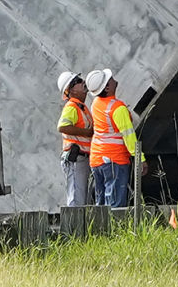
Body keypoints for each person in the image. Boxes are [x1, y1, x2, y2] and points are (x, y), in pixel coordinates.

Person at [85, 69, 139, 208]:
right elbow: (129, 136)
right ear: (107, 87)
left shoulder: (96, 103)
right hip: (114, 160)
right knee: (115, 204)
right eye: (110, 78)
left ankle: (101, 229)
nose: (113, 78)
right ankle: (114, 229)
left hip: (96, 159)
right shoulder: (117, 108)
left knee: (101, 204)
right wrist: (140, 159)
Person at [57, 71, 92, 207]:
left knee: (80, 198)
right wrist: (87, 132)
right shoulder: (72, 107)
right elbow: (62, 127)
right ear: (70, 90)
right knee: (76, 198)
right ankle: (73, 228)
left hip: (81, 159)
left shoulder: (81, 107)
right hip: (76, 159)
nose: (82, 82)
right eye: (78, 81)